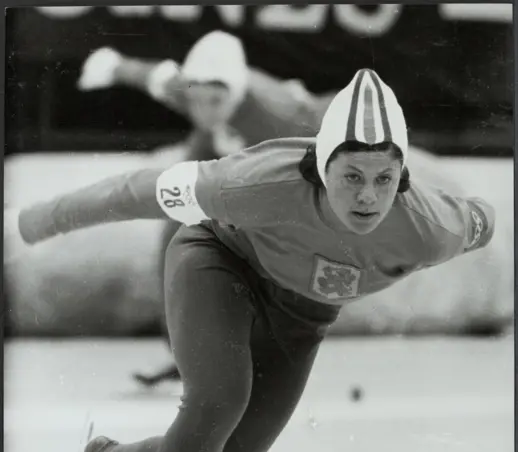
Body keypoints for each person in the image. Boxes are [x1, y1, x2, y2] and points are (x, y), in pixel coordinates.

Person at [6, 69, 494, 452]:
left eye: (385, 178)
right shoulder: (254, 182)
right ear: (320, 166)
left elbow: (485, 217)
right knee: (220, 397)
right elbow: (136, 190)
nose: (368, 195)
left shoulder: (432, 226)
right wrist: (38, 221)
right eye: (352, 175)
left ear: (403, 176)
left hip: (301, 318)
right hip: (219, 262)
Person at [78, 31, 462, 386]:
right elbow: (154, 76)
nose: (205, 108)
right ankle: (187, 351)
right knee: (176, 233)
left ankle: (249, 345)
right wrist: (111, 65)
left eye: (216, 101)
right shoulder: (195, 87)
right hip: (222, 152)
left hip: (303, 141)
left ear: (238, 92)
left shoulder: (275, 118)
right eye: (196, 99)